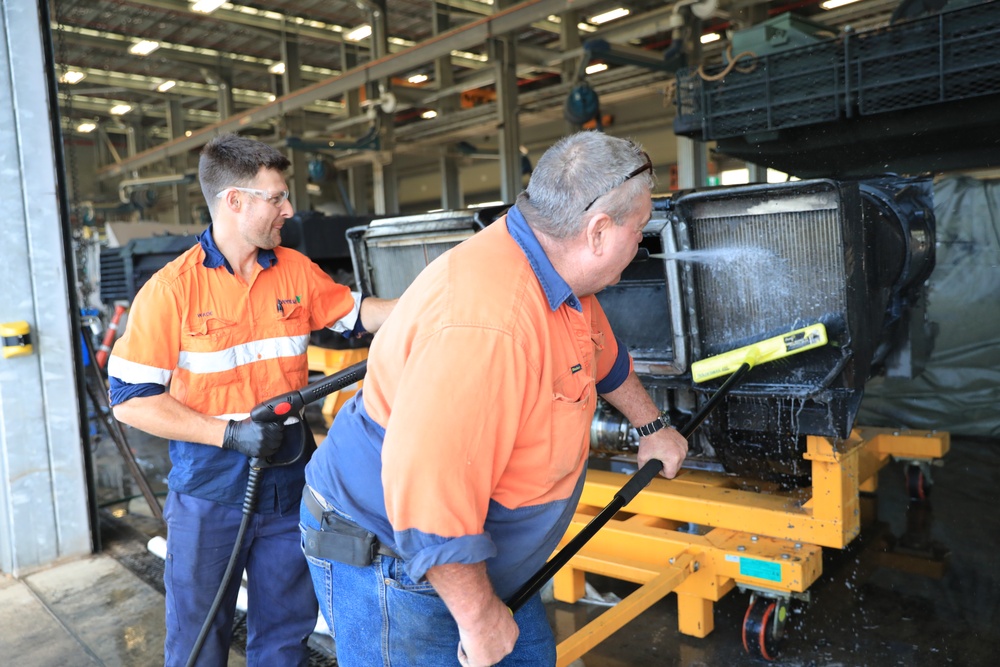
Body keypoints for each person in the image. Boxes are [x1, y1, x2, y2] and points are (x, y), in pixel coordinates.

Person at [300, 131, 688, 667]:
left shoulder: (556, 273)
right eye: (639, 229)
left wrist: (652, 426)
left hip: (483, 563)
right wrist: (479, 617)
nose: (640, 242)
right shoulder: (488, 326)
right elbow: (429, 493)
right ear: (598, 231)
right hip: (403, 565)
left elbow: (598, 348)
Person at [107, 133, 395, 667]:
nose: (288, 209)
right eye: (277, 197)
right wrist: (228, 433)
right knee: (199, 638)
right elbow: (128, 401)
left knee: (287, 635)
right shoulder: (172, 291)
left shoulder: (292, 269)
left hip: (289, 482)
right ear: (234, 201)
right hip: (210, 489)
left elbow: (360, 315)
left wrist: (438, 302)